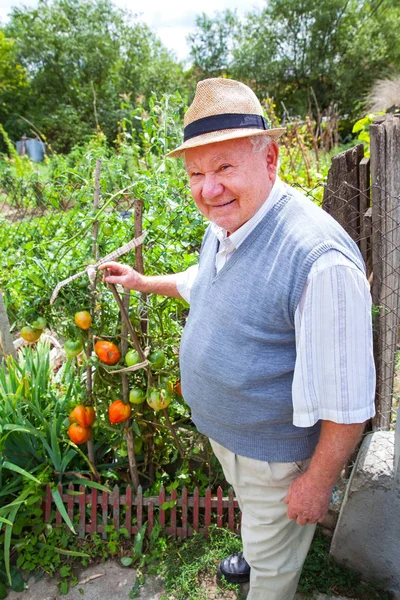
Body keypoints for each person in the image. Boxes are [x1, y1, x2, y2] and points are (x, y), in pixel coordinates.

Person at [100, 78, 375, 600]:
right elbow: (205, 281)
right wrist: (142, 282)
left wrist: (316, 483)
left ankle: (265, 567)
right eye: (196, 173)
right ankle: (257, 545)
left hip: (275, 457)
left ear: (269, 159)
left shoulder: (318, 261)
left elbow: (349, 400)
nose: (209, 189)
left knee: (273, 574)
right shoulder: (231, 221)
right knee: (256, 512)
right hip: (235, 443)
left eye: (224, 167)